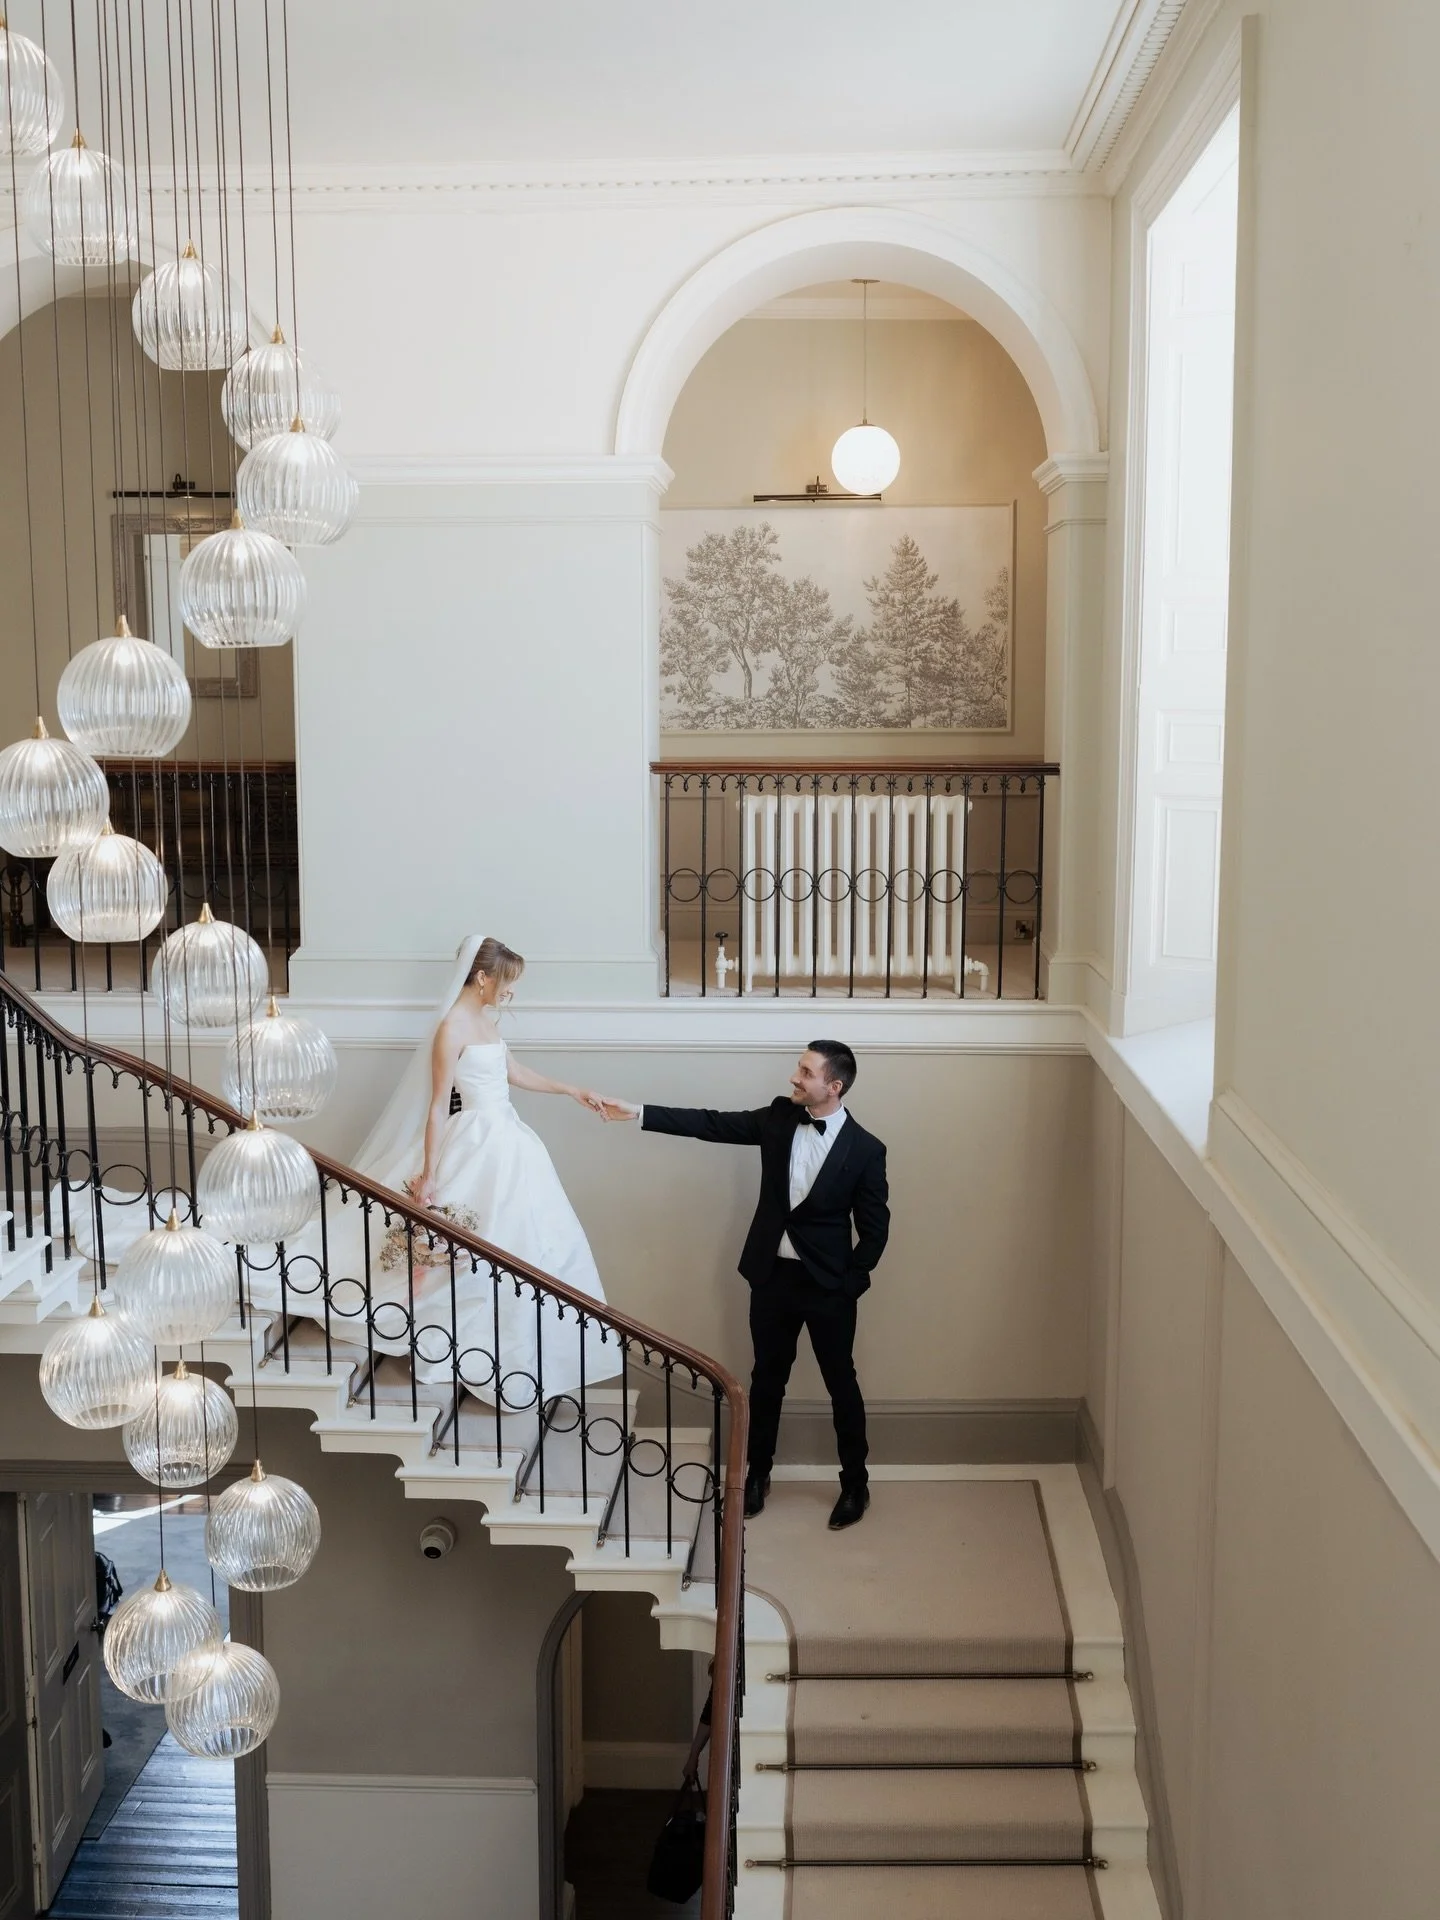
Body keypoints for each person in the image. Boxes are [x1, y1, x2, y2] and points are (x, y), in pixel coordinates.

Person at [272, 935, 623, 1404]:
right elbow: (438, 1107)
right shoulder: (452, 1027)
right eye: (506, 981)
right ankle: (459, 1341)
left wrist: (571, 1090)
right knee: (471, 1250)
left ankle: (521, 1354)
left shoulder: (483, 1018)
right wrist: (430, 1174)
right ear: (482, 978)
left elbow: (512, 1072)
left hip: (510, 1140)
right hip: (476, 1140)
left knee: (531, 1243)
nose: (509, 991)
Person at [604, 1041, 888, 1531]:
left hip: (828, 1288)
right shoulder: (779, 1119)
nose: (794, 1078)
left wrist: (851, 1283)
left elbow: (876, 1226)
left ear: (833, 1086)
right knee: (765, 1382)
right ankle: (756, 1477)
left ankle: (855, 1484)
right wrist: (640, 1113)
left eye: (805, 1072)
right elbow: (712, 1123)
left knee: (842, 1384)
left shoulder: (866, 1149)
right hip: (772, 1279)